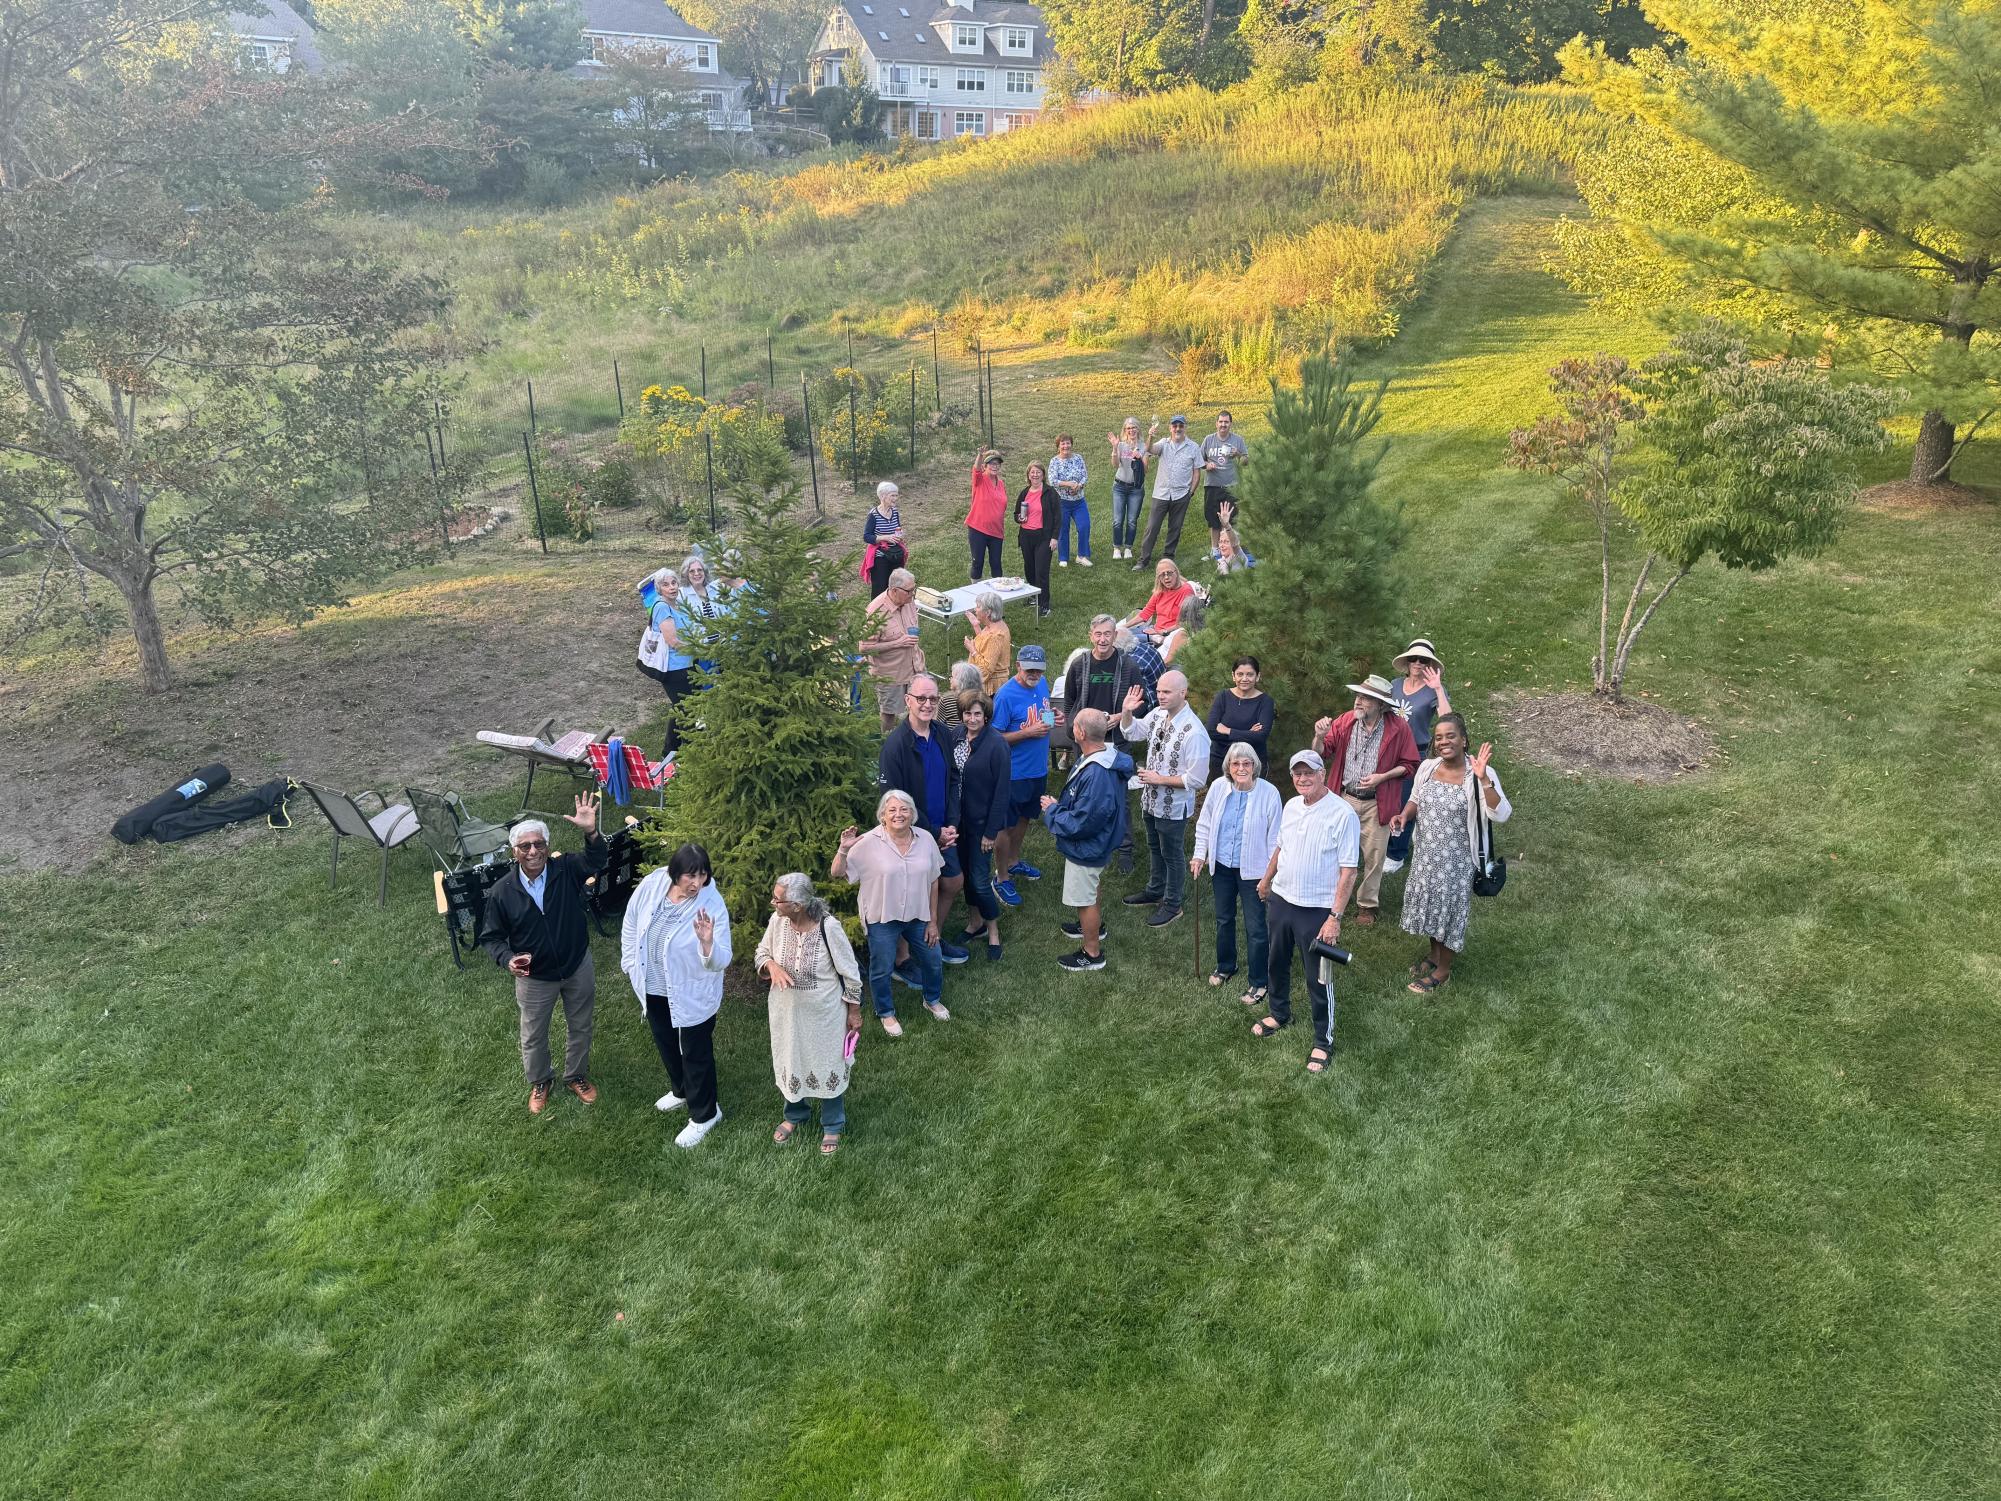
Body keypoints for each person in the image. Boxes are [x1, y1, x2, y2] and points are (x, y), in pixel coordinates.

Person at [479, 798, 608, 1115]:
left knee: (581, 1026)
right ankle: (540, 1081)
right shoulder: (501, 892)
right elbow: (491, 937)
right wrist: (507, 958)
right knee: (533, 1035)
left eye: (538, 844)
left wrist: (591, 833)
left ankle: (576, 1075)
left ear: (548, 846)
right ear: (515, 853)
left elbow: (597, 861)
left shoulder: (567, 869)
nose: (533, 851)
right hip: (535, 977)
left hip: (577, 965)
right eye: (525, 846)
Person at [1252, 750, 1360, 1075]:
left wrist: (1335, 917)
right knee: (1276, 961)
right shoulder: (1290, 806)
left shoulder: (1342, 814)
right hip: (1282, 900)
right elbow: (1281, 846)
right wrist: (1267, 878)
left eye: (1309, 772)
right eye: (1297, 773)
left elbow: (1349, 870)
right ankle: (1279, 1012)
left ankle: (1322, 1040)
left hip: (1316, 909)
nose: (1302, 778)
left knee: (1318, 976)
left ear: (1322, 773)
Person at [620, 840, 733, 1146]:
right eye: (690, 876)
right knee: (666, 1041)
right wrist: (630, 962)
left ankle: (705, 1114)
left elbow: (722, 959)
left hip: (690, 993)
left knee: (695, 1052)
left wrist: (707, 943)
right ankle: (681, 1090)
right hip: (653, 986)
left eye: (702, 875)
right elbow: (632, 921)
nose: (697, 883)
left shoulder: (711, 904)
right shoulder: (655, 882)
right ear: (674, 873)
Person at [1390, 713, 1510, 996]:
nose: (1444, 741)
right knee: (1431, 906)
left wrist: (1484, 781)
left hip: (1456, 859)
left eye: (1451, 736)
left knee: (1449, 911)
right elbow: (1416, 798)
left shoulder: (1478, 773)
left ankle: (1443, 970)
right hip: (1426, 854)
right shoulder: (1429, 767)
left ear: (1464, 739)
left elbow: (1501, 813)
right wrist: (1405, 815)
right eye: (1439, 737)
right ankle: (1434, 955)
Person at [756, 873, 863, 1155]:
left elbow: (851, 975)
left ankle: (832, 1124)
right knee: (791, 1059)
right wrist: (771, 966)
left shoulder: (829, 927)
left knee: (829, 1064)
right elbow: (761, 952)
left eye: (778, 899)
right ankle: (795, 1114)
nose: (773, 903)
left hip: (824, 1015)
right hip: (785, 1013)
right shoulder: (777, 923)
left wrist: (854, 1012)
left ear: (798, 905)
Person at [832, 792, 947, 1037]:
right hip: (881, 917)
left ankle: (932, 999)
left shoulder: (925, 839)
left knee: (933, 959)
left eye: (904, 809)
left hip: (918, 915)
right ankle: (885, 1012)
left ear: (912, 813)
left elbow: (934, 881)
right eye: (892, 809)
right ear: (882, 815)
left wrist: (933, 921)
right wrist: (843, 849)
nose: (898, 814)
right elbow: (836, 873)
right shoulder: (867, 842)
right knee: (881, 967)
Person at [1314, 673, 1420, 926]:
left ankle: (1367, 905)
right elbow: (1322, 753)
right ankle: (1332, 897)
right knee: (1333, 851)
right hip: (1344, 799)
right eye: (1358, 695)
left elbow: (1410, 765)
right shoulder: (1345, 721)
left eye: (1366, 698)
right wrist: (1319, 736)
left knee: (1374, 856)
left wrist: (1382, 777)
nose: (1358, 701)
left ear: (1381, 705)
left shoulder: (1398, 728)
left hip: (1377, 801)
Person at [878, 673, 967, 964]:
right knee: (913, 894)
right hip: (913, 833)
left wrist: (951, 823)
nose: (927, 704)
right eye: (921, 698)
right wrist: (932, 831)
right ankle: (903, 959)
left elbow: (954, 779)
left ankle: (933, 940)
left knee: (952, 883)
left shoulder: (942, 733)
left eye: (932, 698)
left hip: (944, 828)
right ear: (908, 701)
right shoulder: (895, 746)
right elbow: (895, 804)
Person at [1040, 708, 1134, 971]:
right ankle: (1092, 928)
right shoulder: (1104, 755)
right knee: (1092, 886)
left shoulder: (1096, 774)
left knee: (1085, 898)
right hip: (1100, 841)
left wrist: (1052, 811)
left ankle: (1092, 953)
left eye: (1075, 725)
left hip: (1089, 845)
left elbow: (1084, 822)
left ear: (1080, 733)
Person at [1115, 668, 1209, 928]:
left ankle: (1172, 904)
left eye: (1166, 692)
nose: (1161, 696)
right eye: (1158, 691)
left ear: (1183, 692)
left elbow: (1197, 779)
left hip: (1173, 806)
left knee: (1172, 854)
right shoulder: (1157, 714)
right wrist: (1127, 711)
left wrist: (1160, 779)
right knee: (1155, 847)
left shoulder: (1195, 732)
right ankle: (1155, 890)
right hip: (1150, 800)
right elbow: (1131, 732)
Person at [1190, 743, 1283, 1003]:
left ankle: (1259, 981)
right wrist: (1200, 855)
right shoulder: (1219, 787)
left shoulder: (1269, 793)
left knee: (1255, 927)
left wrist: (1268, 876)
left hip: (1253, 871)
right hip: (1222, 867)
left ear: (1254, 766)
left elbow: (1276, 838)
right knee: (1223, 919)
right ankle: (1226, 966)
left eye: (1246, 763)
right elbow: (1205, 823)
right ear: (1228, 767)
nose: (1241, 768)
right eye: (1235, 764)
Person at [952, 689, 1012, 960]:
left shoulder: (997, 744)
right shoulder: (954, 737)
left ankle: (993, 931)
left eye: (977, 713)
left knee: (978, 880)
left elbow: (1002, 792)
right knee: (965, 877)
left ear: (986, 716)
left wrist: (991, 831)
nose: (972, 718)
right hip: (956, 824)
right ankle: (974, 923)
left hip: (981, 826)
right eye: (967, 713)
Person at [991, 644, 1052, 906]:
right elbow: (994, 738)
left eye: (1038, 670)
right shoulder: (1005, 696)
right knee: (1005, 825)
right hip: (1013, 774)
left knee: (1026, 817)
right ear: (1018, 666)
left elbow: (1044, 709)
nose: (1034, 675)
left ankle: (1014, 861)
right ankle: (1001, 877)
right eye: (1029, 670)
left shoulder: (1042, 683)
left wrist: (1051, 717)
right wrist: (1027, 733)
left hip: (1038, 770)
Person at [1385, 637, 1452, 872]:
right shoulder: (1393, 684)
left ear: (1429, 664)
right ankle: (1382, 842)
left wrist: (1437, 688)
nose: (1417, 662)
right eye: (1413, 658)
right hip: (1387, 750)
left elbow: (1446, 718)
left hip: (1414, 753)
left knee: (1406, 800)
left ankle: (1397, 853)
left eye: (1422, 660)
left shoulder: (1434, 691)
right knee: (1384, 797)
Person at [635, 566, 695, 757]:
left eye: (674, 583)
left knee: (680, 706)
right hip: (673, 669)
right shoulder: (662, 607)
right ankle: (689, 748)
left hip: (686, 664)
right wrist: (700, 648)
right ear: (659, 589)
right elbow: (673, 641)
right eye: (665, 584)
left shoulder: (677, 604)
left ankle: (670, 750)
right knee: (685, 708)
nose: (671, 587)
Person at [1134, 414, 1204, 570]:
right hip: (1161, 494)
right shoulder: (1164, 443)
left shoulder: (1193, 447)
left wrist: (1190, 493)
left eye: (1181, 426)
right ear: (1170, 428)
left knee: (1175, 528)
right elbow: (1150, 449)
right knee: (1152, 527)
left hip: (1181, 495)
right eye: (1175, 426)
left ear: (1185, 427)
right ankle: (1143, 560)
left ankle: (1168, 558)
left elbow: (1197, 472)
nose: (1178, 428)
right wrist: (1151, 436)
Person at [859, 567, 924, 734]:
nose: (913, 594)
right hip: (890, 675)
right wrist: (897, 643)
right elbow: (864, 647)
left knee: (920, 707)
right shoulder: (876, 611)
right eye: (909, 591)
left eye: (913, 589)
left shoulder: (908, 602)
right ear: (894, 591)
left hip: (915, 667)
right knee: (889, 715)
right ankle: (886, 745)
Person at [1059, 615, 1145, 730]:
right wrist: (1072, 727)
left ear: (1115, 635)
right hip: (1085, 738)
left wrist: (1120, 716)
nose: (1102, 639)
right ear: (1091, 636)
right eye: (1098, 634)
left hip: (1116, 739)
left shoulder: (1129, 666)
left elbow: (1142, 703)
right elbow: (1069, 701)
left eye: (1107, 634)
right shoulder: (1078, 665)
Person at [1205, 654, 1277, 781]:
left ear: (1258, 676)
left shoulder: (1265, 701)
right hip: (1221, 762)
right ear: (1233, 676)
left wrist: (1229, 731)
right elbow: (1211, 730)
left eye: (1250, 674)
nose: (1244, 678)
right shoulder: (1223, 697)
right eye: (1240, 674)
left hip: (1252, 764)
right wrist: (1248, 734)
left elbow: (1261, 736)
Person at [1199, 410, 1249, 561]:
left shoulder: (1237, 440)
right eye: (1220, 421)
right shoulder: (1208, 440)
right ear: (1216, 423)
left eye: (1226, 422)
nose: (1223, 424)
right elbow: (1199, 461)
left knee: (1230, 521)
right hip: (1213, 486)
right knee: (1214, 520)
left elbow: (1246, 461)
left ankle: (1230, 551)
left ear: (1230, 424)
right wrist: (1207, 465)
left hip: (1231, 486)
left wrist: (1238, 454)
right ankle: (1215, 550)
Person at [1014, 459, 1057, 616]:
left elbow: (1058, 517)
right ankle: (1034, 596)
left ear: (1043, 475)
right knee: (1029, 568)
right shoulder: (1024, 492)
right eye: (1032, 472)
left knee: (1041, 571)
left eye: (1038, 472)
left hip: (1044, 537)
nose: (1035, 474)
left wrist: (1055, 538)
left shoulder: (1050, 493)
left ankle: (1045, 605)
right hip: (1026, 536)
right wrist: (1020, 518)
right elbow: (1016, 514)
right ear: (1028, 475)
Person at [1121, 559, 1196, 645]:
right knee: (1120, 635)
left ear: (1176, 573)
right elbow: (1145, 613)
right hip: (1155, 631)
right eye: (1162, 575)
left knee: (1126, 640)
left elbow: (1186, 623)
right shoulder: (1160, 589)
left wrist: (1162, 632)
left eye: (1169, 573)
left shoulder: (1186, 591)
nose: (1166, 577)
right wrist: (1122, 627)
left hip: (1171, 635)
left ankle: (1153, 639)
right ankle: (1152, 638)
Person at [1104, 416, 1147, 561]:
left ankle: (1128, 547)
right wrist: (1115, 447)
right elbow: (1115, 465)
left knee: (1132, 520)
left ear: (1138, 429)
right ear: (1125, 430)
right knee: (1117, 520)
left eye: (1133, 427)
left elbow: (1146, 469)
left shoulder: (1143, 445)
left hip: (1136, 488)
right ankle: (1117, 547)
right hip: (1120, 486)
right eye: (1128, 428)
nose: (1131, 430)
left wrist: (1139, 457)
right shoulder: (1121, 445)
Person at [1049, 433, 1091, 569]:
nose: (1066, 446)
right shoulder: (1054, 461)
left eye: (1068, 443)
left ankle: (1082, 556)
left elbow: (1084, 475)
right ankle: (1063, 557)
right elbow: (1053, 480)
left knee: (1084, 526)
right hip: (1062, 502)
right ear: (1058, 446)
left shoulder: (1078, 458)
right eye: (1063, 443)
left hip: (1079, 501)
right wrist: (1069, 484)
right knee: (1063, 529)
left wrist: (1079, 486)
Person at [966, 446, 1007, 580]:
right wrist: (980, 455)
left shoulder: (1001, 484)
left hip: (997, 531)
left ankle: (998, 595)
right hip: (978, 529)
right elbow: (976, 469)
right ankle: (976, 594)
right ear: (985, 466)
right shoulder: (980, 479)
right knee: (977, 563)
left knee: (996, 564)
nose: (995, 466)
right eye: (991, 463)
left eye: (997, 463)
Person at [862, 481, 907, 600]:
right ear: (882, 496)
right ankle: (877, 614)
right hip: (880, 556)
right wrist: (885, 537)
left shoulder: (895, 512)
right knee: (880, 588)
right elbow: (867, 536)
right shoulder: (873, 515)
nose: (895, 498)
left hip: (895, 554)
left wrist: (900, 535)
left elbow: (897, 528)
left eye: (896, 495)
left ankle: (894, 611)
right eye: (892, 495)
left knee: (896, 586)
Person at [961, 591, 1011, 694]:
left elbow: (986, 670)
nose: (975, 610)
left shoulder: (995, 636)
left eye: (978, 607)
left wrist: (972, 649)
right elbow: (986, 647)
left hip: (991, 689)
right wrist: (976, 626)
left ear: (988, 612)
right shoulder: (994, 625)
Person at [939, 661, 984, 728]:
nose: (950, 679)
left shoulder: (947, 700)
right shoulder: (983, 699)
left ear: (961, 681)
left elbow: (938, 724)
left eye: (952, 677)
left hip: (953, 737)